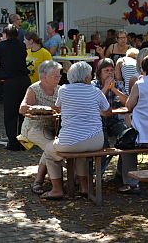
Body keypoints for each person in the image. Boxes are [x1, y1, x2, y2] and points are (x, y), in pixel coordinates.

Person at [41, 62, 111, 199]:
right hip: (96, 140)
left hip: (71, 141)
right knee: (81, 154)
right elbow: (107, 111)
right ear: (85, 77)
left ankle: (57, 189)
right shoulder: (95, 91)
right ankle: (84, 187)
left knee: (48, 152)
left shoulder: (64, 90)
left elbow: (58, 108)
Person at [92, 58, 139, 194]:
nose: (109, 73)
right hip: (99, 121)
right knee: (103, 144)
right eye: (106, 71)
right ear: (99, 73)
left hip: (115, 120)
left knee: (127, 138)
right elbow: (95, 101)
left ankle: (126, 177)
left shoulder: (118, 84)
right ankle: (97, 177)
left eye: (112, 70)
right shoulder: (94, 85)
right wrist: (106, 87)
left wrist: (115, 89)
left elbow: (127, 103)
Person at [18, 60, 62, 195]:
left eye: (59, 75)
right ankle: (71, 178)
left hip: (53, 128)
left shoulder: (60, 90)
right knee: (54, 149)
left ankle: (38, 181)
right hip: (33, 128)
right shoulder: (34, 89)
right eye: (54, 75)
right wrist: (45, 109)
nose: (58, 78)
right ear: (43, 77)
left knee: (50, 148)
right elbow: (22, 109)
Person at [0, 24, 31, 151]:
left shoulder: (2, 45)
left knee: (10, 113)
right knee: (23, 112)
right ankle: (22, 141)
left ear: (5, 34)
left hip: (11, 81)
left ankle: (13, 143)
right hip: (24, 80)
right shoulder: (21, 45)